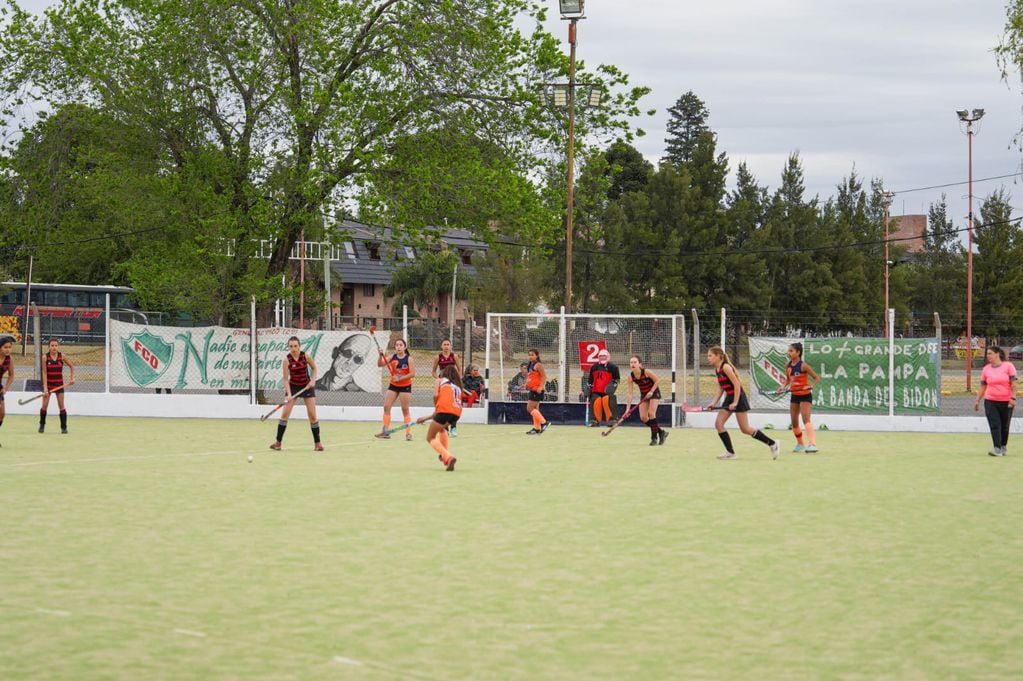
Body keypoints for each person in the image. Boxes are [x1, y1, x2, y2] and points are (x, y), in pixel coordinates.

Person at [707, 345, 779, 460]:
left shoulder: (726, 367)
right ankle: (730, 453)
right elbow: (721, 387)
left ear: (718, 356)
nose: (708, 358)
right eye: (708, 356)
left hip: (738, 398)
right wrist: (713, 403)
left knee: (745, 429)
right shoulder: (717, 369)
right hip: (730, 398)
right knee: (719, 424)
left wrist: (735, 402)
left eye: (710, 355)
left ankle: (772, 443)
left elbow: (737, 384)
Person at [269, 336, 322, 451]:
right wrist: (288, 394)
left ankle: (317, 444)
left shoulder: (306, 356)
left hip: (307, 387)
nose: (293, 349)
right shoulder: (286, 360)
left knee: (312, 415)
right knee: (284, 415)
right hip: (293, 388)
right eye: (291, 346)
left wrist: (313, 381)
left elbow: (314, 369)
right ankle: (278, 443)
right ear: (288, 347)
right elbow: (285, 379)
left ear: (299, 346)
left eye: (295, 346)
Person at [416, 364, 463, 471]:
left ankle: (447, 456)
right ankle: (445, 458)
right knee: (441, 429)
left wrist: (435, 410)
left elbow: (435, 396)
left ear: (443, 373)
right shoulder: (456, 386)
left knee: (430, 438)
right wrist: (427, 417)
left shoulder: (439, 380)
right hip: (456, 413)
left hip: (445, 411)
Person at [974, 345, 1017, 457]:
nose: (988, 356)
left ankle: (1003, 446)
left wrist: (1013, 397)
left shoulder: (1008, 366)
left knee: (1005, 425)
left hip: (1006, 401)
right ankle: (997, 448)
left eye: (990, 353)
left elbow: (1013, 384)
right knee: (994, 424)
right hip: (990, 401)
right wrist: (977, 400)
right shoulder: (986, 369)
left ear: (997, 354)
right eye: (987, 354)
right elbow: (983, 386)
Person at [777, 342, 820, 452]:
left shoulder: (803, 365)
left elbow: (816, 378)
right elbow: (788, 379)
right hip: (794, 395)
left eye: (791, 351)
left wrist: (810, 386)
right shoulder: (787, 365)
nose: (789, 353)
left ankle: (812, 444)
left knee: (806, 419)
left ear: (798, 353)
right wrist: (782, 387)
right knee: (794, 422)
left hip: (805, 396)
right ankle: (800, 444)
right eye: (789, 350)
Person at [375, 337, 416, 440]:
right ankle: (385, 431)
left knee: (405, 409)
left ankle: (408, 433)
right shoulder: (392, 357)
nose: (398, 347)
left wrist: (400, 378)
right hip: (393, 385)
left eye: (401, 345)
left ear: (404, 347)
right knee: (386, 407)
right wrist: (380, 356)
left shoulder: (409, 359)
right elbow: (380, 364)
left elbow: (412, 374)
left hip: (405, 386)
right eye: (397, 345)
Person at [625, 355, 667, 445]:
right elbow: (630, 393)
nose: (633, 364)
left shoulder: (646, 372)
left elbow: (657, 380)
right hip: (644, 394)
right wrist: (628, 409)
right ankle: (661, 432)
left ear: (639, 364)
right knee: (643, 417)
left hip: (654, 392)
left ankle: (654, 438)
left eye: (635, 362)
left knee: (651, 414)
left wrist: (651, 391)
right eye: (631, 362)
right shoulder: (630, 377)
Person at [39, 338, 75, 434]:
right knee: (44, 406)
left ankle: (64, 427)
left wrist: (72, 378)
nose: (54, 347)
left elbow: (72, 366)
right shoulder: (45, 357)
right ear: (48, 347)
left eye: (56, 345)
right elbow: (44, 373)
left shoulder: (62, 356)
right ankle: (42, 425)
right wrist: (45, 387)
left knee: (61, 406)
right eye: (52, 345)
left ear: (58, 346)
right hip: (49, 385)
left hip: (59, 385)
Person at [587, 349, 621, 428]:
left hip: (607, 392)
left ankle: (611, 420)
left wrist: (612, 386)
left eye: (604, 356)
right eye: (601, 356)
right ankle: (594, 420)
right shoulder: (594, 367)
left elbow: (617, 379)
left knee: (607, 400)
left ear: (608, 356)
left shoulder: (613, 367)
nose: (602, 358)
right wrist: (588, 388)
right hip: (596, 391)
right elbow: (590, 380)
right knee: (596, 400)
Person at [524, 349, 550, 434]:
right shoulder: (530, 365)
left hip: (537, 390)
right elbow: (531, 377)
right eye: (529, 355)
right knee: (535, 409)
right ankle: (536, 428)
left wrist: (541, 386)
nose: (530, 356)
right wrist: (526, 384)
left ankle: (544, 422)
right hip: (533, 389)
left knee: (529, 408)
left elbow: (544, 376)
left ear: (537, 356)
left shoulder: (538, 365)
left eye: (532, 355)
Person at [0, 335, 13, 446]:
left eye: (9, 347)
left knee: (2, 413)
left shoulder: (9, 359)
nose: (8, 349)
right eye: (5, 347)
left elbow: (11, 375)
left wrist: (5, 388)